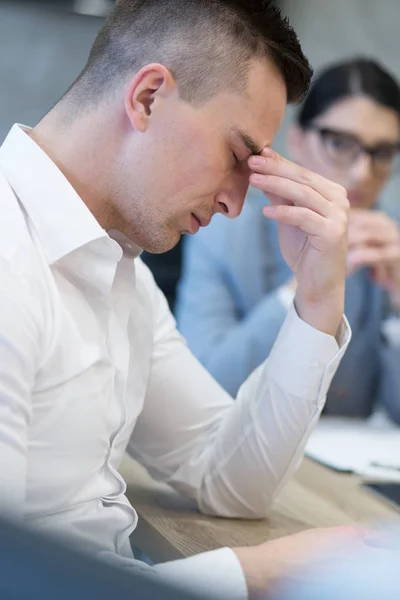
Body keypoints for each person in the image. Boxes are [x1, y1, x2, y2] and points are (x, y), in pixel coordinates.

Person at [0, 1, 369, 598]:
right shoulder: (8, 263)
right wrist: (259, 572)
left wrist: (318, 297)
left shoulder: (123, 274)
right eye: (236, 156)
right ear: (147, 97)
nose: (234, 204)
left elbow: (228, 478)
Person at [177, 57, 400, 423]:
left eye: (383, 153)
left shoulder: (390, 241)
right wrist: (307, 284)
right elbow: (201, 387)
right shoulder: (226, 228)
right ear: (297, 140)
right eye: (341, 143)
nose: (363, 173)